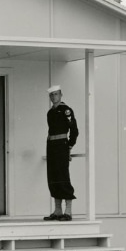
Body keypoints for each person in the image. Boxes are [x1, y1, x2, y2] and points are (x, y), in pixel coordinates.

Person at [43, 84, 79, 221]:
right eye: (51, 95)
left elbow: (74, 130)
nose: (54, 97)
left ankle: (68, 211)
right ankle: (58, 210)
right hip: (51, 146)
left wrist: (69, 146)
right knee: (53, 176)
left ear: (61, 95)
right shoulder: (50, 112)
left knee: (63, 176)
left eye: (56, 94)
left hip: (61, 146)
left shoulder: (66, 110)